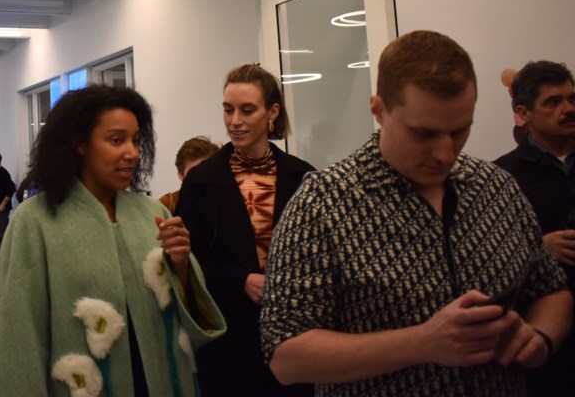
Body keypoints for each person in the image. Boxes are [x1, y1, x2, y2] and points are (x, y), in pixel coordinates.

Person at [260, 30, 573, 397]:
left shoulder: (496, 187)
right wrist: (422, 343)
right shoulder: (321, 204)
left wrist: (538, 338)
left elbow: (552, 291)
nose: (444, 153)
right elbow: (286, 356)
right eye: (423, 134)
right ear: (379, 110)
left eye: (459, 131)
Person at [0, 84, 226, 396]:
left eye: (136, 140)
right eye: (117, 140)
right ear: (79, 142)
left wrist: (182, 266)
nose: (132, 152)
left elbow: (194, 325)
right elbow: (17, 341)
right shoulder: (35, 222)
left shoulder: (151, 212)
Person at [175, 63, 315, 397]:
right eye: (228, 110)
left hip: (293, 335)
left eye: (247, 110)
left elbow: (318, 258)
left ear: (272, 112)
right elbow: (186, 264)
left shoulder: (303, 177)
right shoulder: (202, 180)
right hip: (227, 339)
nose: (234, 121)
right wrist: (239, 280)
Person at [494, 60, 575, 396]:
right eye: (553, 102)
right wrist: (539, 249)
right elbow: (488, 257)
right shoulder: (501, 178)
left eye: (572, 98)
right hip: (544, 340)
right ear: (524, 113)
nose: (568, 109)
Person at [158, 135, 219, 213]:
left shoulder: (228, 200)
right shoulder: (166, 204)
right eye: (195, 173)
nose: (203, 178)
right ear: (181, 175)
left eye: (208, 170)